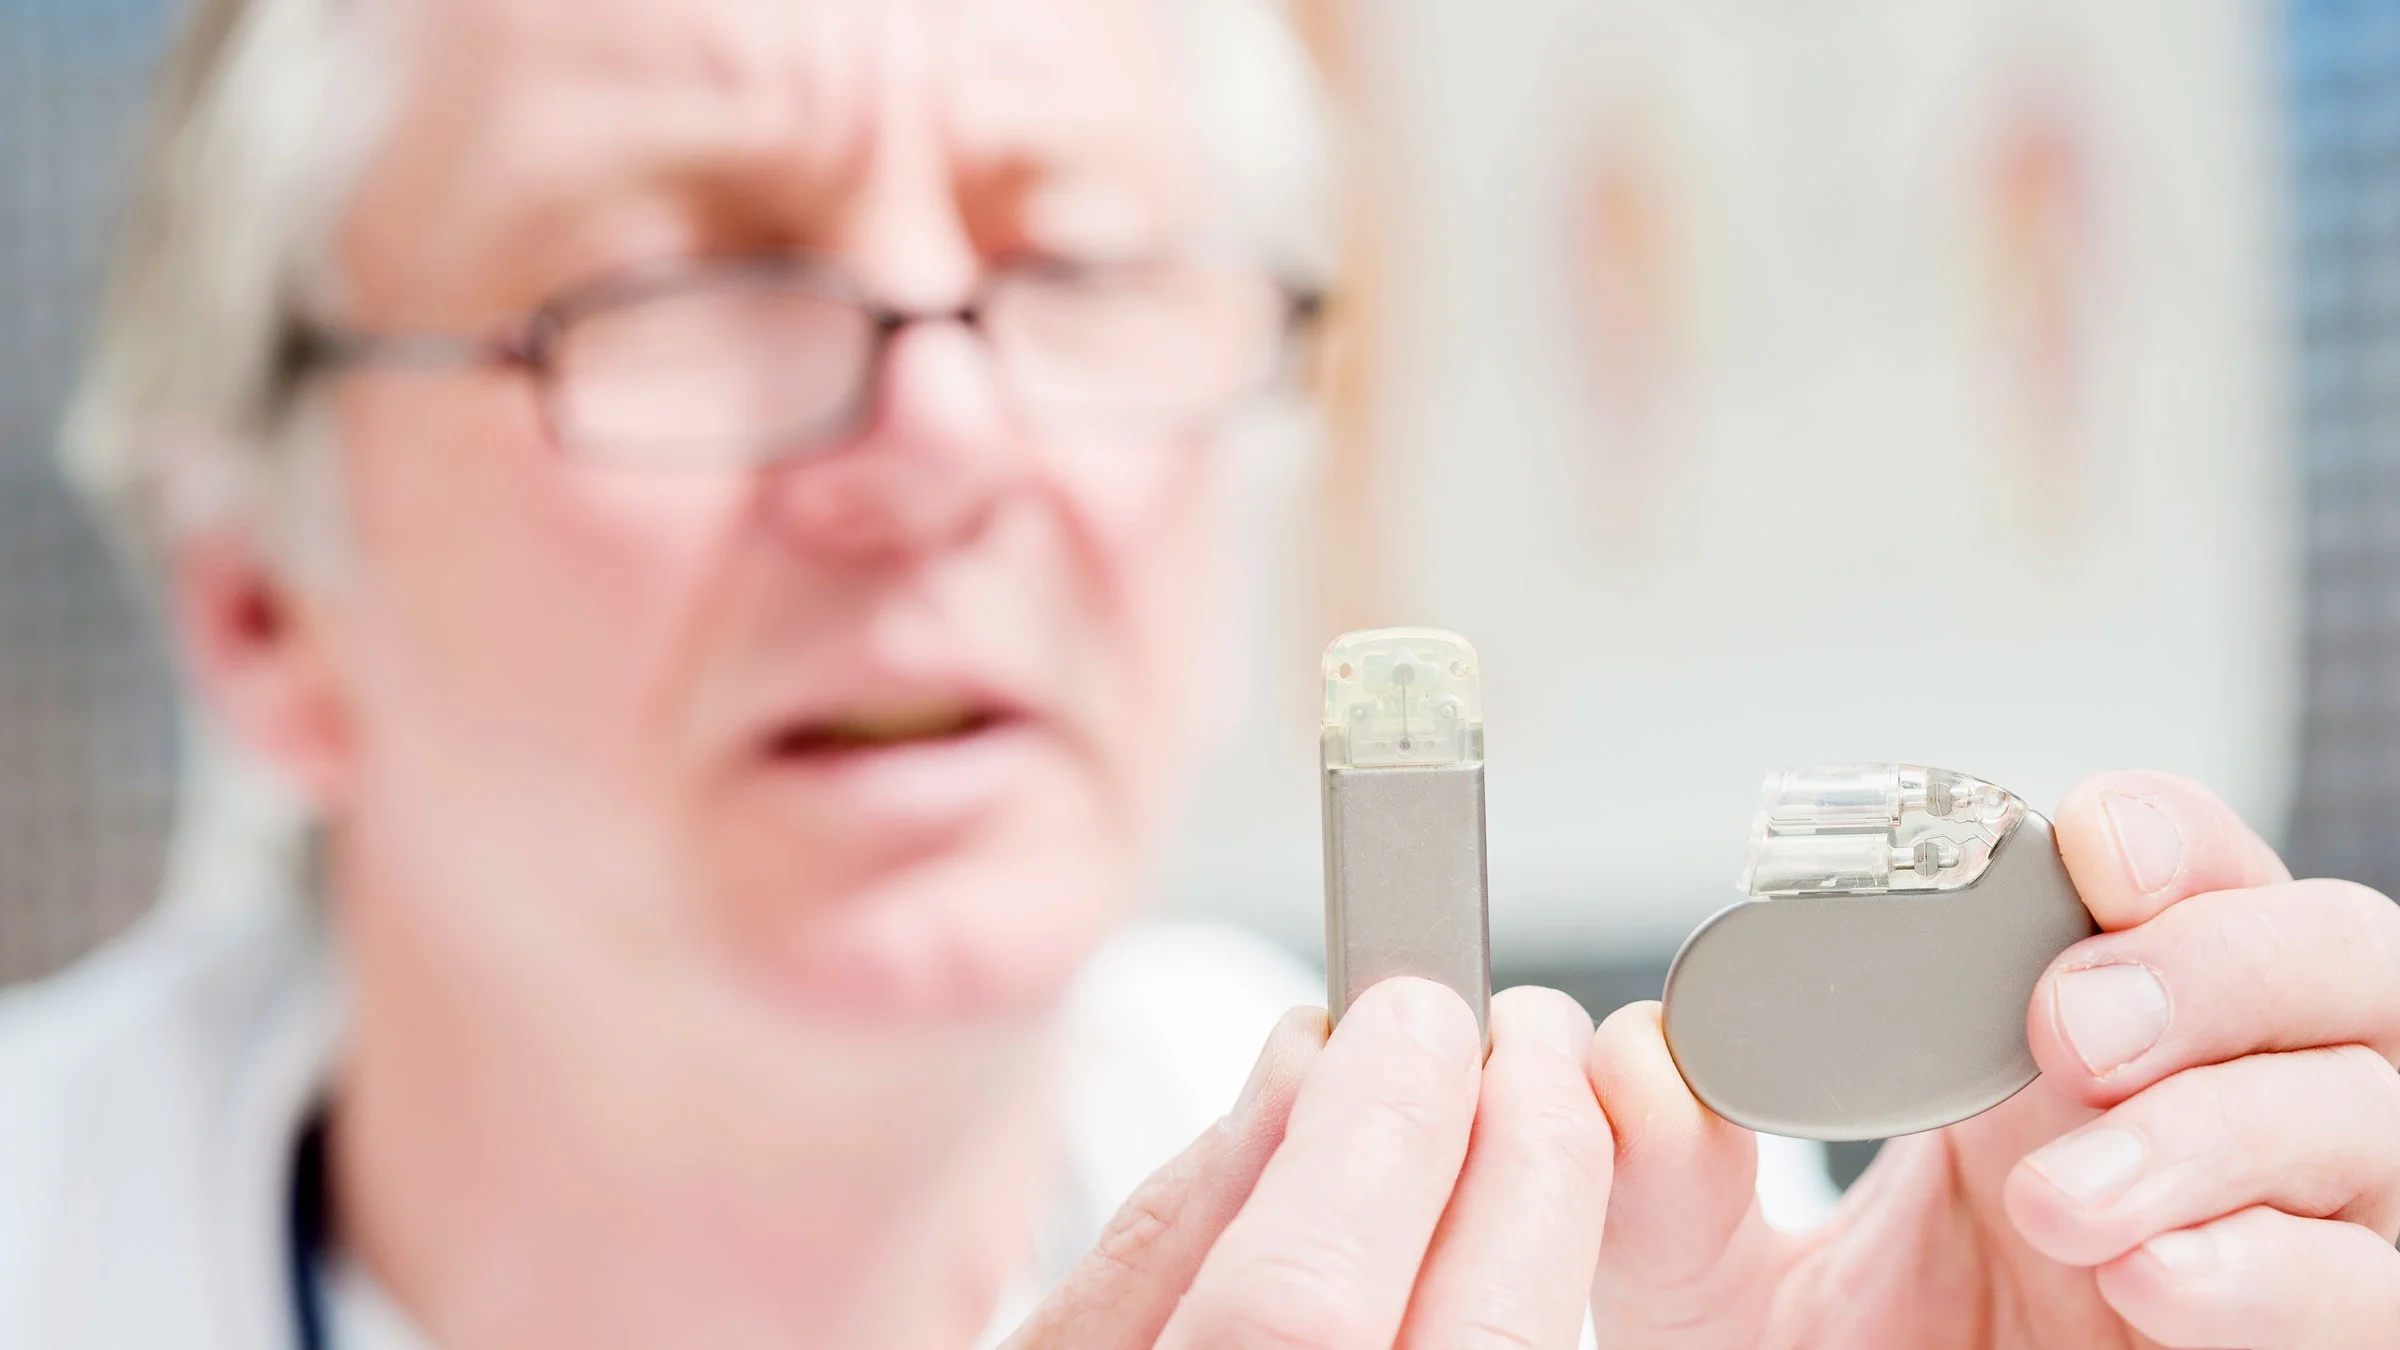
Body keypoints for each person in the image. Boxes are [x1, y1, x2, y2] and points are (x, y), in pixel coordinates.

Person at [2, 0, 2396, 1346]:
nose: (949, 444)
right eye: (682, 282)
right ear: (256, 606)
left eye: (1074, 268)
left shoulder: (1654, 1264)